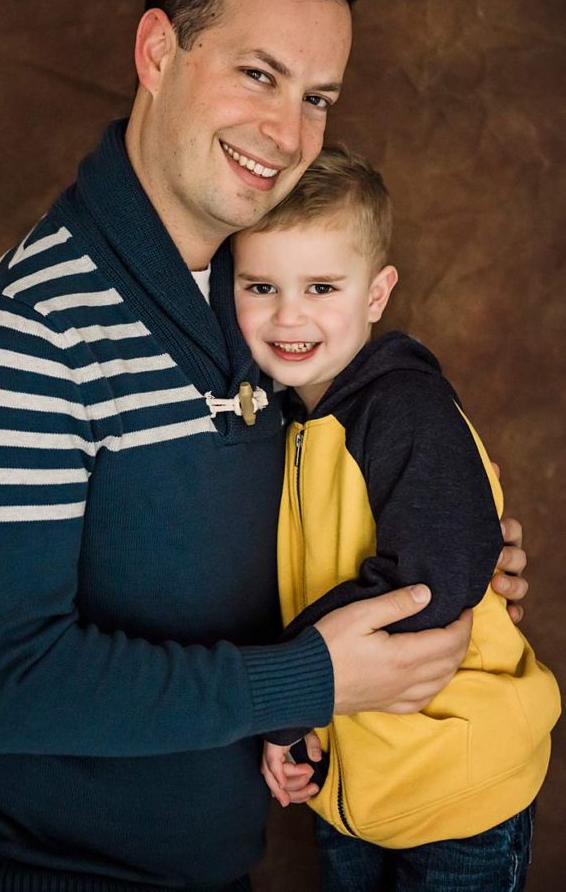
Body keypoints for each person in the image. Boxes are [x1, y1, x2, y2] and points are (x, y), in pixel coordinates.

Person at [0, 0, 528, 892]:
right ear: (158, 51)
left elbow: (323, 495)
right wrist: (312, 677)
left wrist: (447, 553)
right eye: (258, 74)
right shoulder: (24, 334)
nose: (288, 132)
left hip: (213, 862)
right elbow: (3, 688)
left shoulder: (265, 313)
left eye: (319, 96)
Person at [232, 145, 559, 891]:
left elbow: (426, 583)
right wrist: (305, 724)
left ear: (377, 295)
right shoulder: (292, 422)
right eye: (261, 286)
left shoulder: (403, 408)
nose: (290, 316)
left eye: (321, 286)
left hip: (459, 795)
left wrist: (287, 701)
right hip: (357, 796)